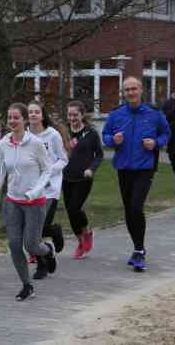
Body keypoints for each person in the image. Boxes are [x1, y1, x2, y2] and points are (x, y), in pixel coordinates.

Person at [0, 103, 57, 301]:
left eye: (16, 117)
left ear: (24, 120)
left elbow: (47, 170)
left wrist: (36, 191)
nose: (12, 121)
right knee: (14, 245)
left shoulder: (35, 143)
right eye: (9, 117)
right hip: (12, 202)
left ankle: (47, 251)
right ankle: (26, 285)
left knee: (31, 246)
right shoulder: (4, 143)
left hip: (35, 202)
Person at [102, 77, 170, 272]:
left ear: (141, 91)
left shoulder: (154, 114)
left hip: (145, 167)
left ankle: (139, 250)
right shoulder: (116, 115)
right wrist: (113, 140)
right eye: (127, 90)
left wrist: (155, 143)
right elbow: (105, 136)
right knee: (128, 210)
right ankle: (137, 248)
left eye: (134, 89)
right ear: (123, 93)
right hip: (123, 167)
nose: (130, 92)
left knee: (135, 206)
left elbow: (166, 133)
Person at [27, 100, 68, 279]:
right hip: (29, 189)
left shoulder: (52, 135)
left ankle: (52, 232)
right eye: (30, 112)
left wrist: (49, 171)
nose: (33, 115)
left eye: (36, 111)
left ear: (42, 115)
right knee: (30, 231)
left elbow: (63, 159)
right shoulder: (24, 135)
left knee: (38, 228)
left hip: (49, 189)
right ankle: (47, 253)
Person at [62, 100, 104, 260]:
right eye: (70, 114)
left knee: (75, 208)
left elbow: (99, 155)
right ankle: (81, 241)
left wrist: (91, 169)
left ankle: (86, 232)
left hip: (83, 178)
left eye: (75, 115)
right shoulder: (64, 132)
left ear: (82, 115)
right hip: (66, 177)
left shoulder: (91, 133)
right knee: (70, 212)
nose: (72, 118)